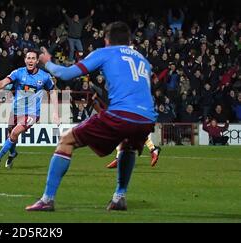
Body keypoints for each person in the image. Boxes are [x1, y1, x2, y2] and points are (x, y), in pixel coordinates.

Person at [25, 22, 157, 212]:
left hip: (121, 114)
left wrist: (47, 61)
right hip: (146, 118)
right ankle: (119, 197)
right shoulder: (143, 60)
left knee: (66, 140)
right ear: (129, 41)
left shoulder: (105, 52)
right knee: (127, 145)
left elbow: (66, 74)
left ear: (106, 40)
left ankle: (47, 199)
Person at [0, 50, 58, 169]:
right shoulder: (18, 72)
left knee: (14, 133)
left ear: (37, 61)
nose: (31, 60)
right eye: (28, 58)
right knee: (11, 134)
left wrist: (55, 113)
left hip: (32, 113)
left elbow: (53, 92)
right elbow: (4, 82)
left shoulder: (44, 76)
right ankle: (12, 153)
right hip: (16, 109)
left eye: (33, 58)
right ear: (25, 60)